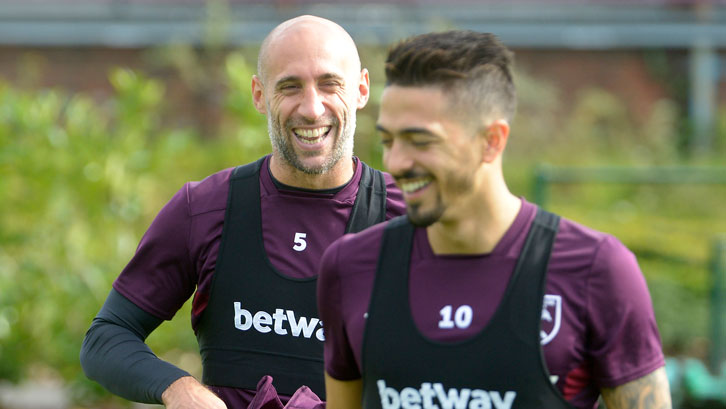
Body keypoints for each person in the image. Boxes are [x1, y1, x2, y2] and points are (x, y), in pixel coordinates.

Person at [317, 30, 672, 409]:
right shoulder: (351, 268)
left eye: (420, 141)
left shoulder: (597, 269)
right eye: (389, 141)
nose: (397, 162)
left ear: (492, 140)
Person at [80, 15, 405, 409]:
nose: (311, 107)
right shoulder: (204, 208)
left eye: (329, 84)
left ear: (361, 89)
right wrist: (179, 389)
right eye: (289, 86)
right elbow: (107, 336)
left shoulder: (411, 220)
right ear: (258, 94)